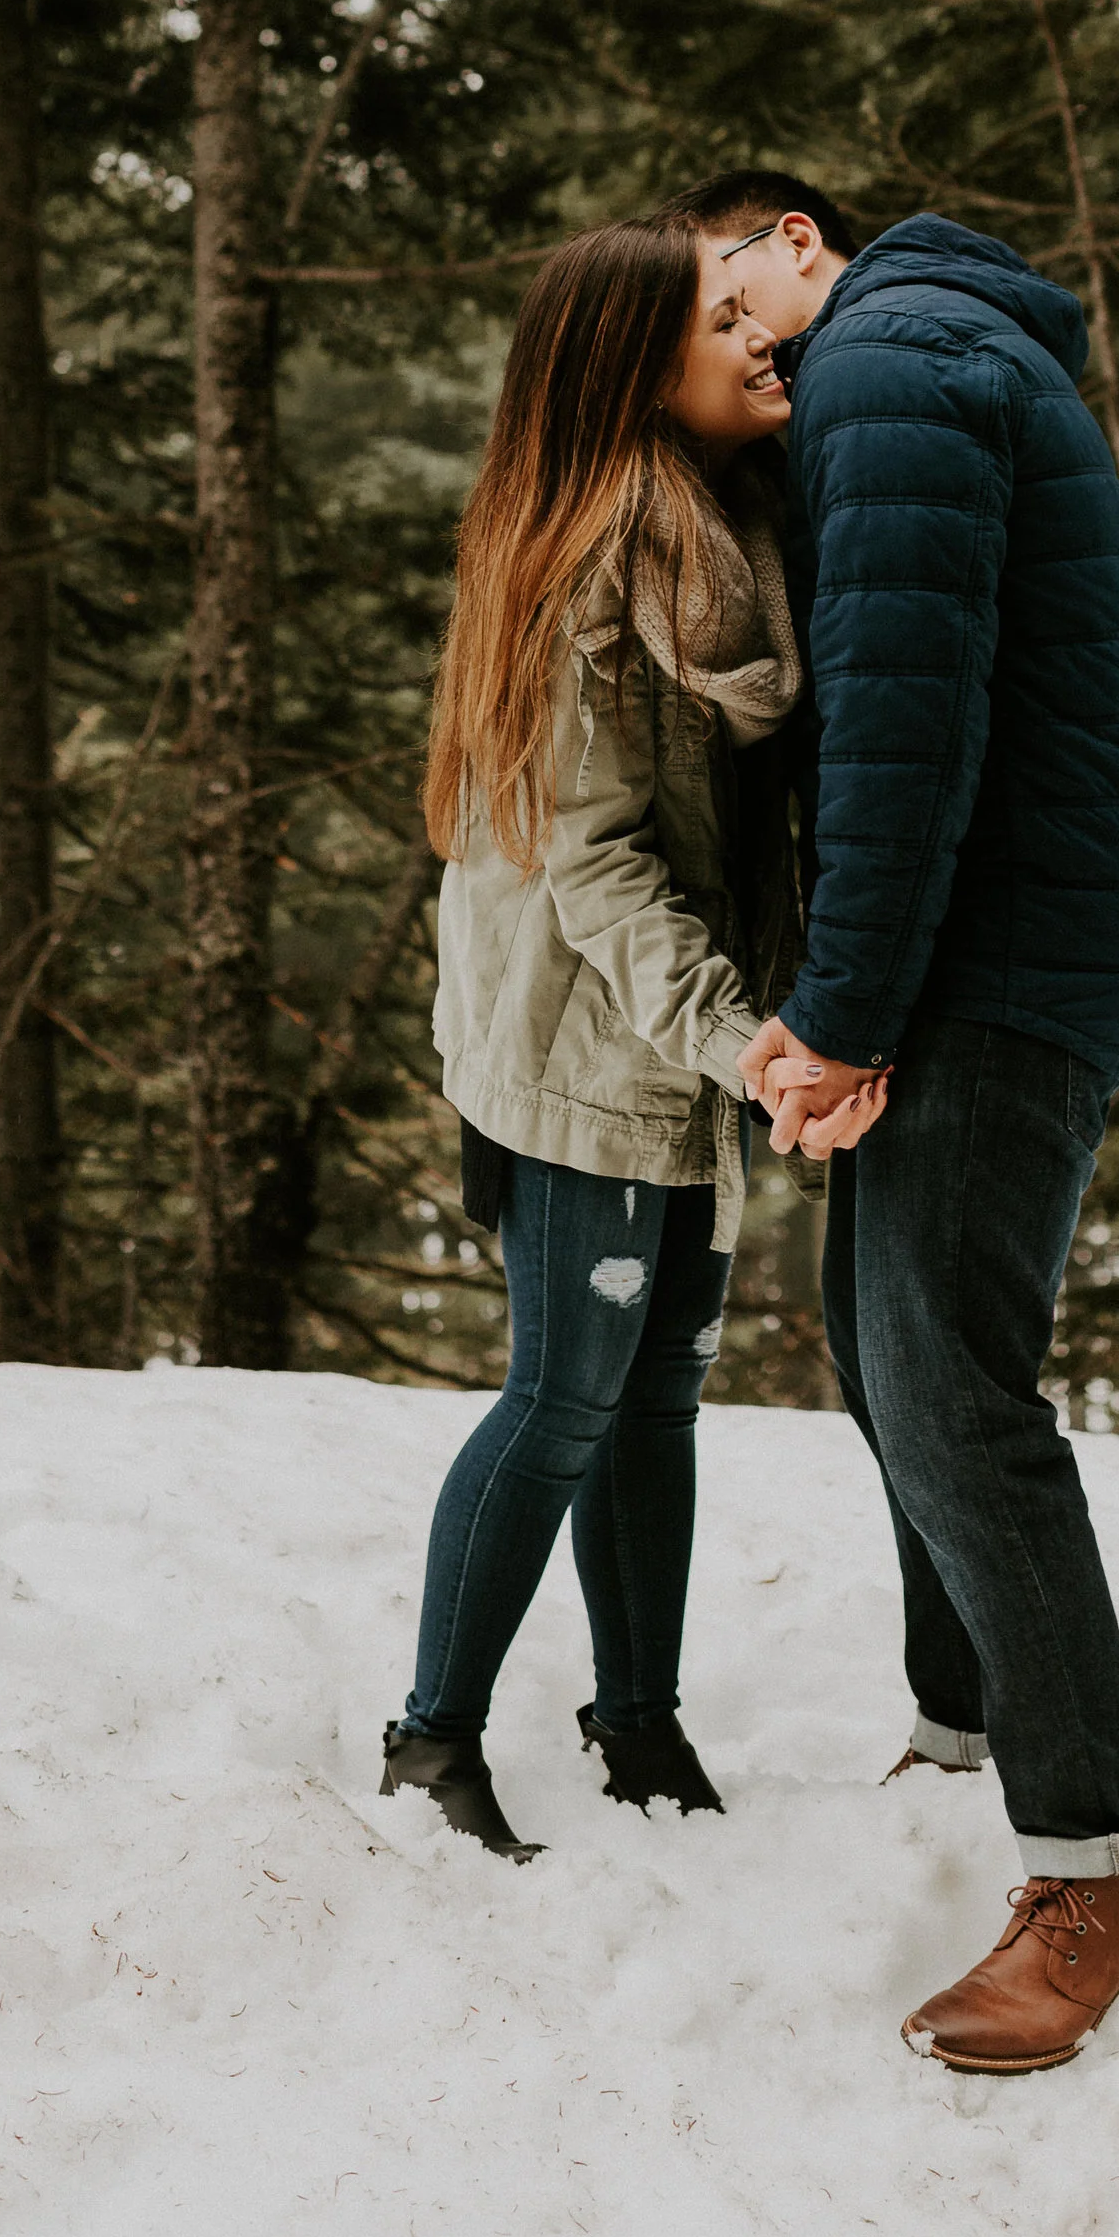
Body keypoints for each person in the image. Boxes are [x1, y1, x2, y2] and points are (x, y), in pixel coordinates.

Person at [656, 168, 1119, 2072]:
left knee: (950, 1384)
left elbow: (907, 721)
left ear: (797, 242)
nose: (726, 346)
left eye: (724, 291)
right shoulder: (933, 358)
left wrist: (844, 1015)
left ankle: (1095, 1869)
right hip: (1010, 936)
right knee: (882, 1362)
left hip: (1001, 952)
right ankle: (961, 1726)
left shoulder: (886, 362)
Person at [383, 218, 880, 1858]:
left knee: (659, 1390)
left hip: (667, 1022)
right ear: (635, 373)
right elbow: (593, 858)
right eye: (720, 321)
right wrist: (742, 1039)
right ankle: (429, 1743)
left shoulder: (716, 527)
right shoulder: (606, 559)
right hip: (584, 1030)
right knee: (566, 1390)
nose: (760, 340)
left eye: (754, 308)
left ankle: (637, 1715)